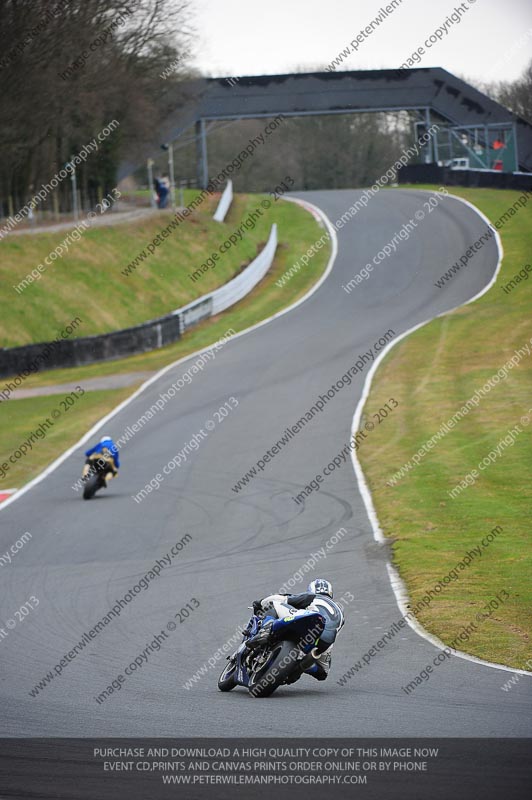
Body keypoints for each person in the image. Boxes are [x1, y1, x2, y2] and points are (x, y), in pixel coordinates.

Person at [247, 578, 344, 681]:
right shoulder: (340, 613)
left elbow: (281, 599)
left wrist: (260, 603)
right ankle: (303, 667)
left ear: (311, 589)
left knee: (273, 605)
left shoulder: (311, 597)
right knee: (323, 673)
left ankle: (265, 631)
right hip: (325, 640)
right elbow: (335, 632)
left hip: (309, 623)